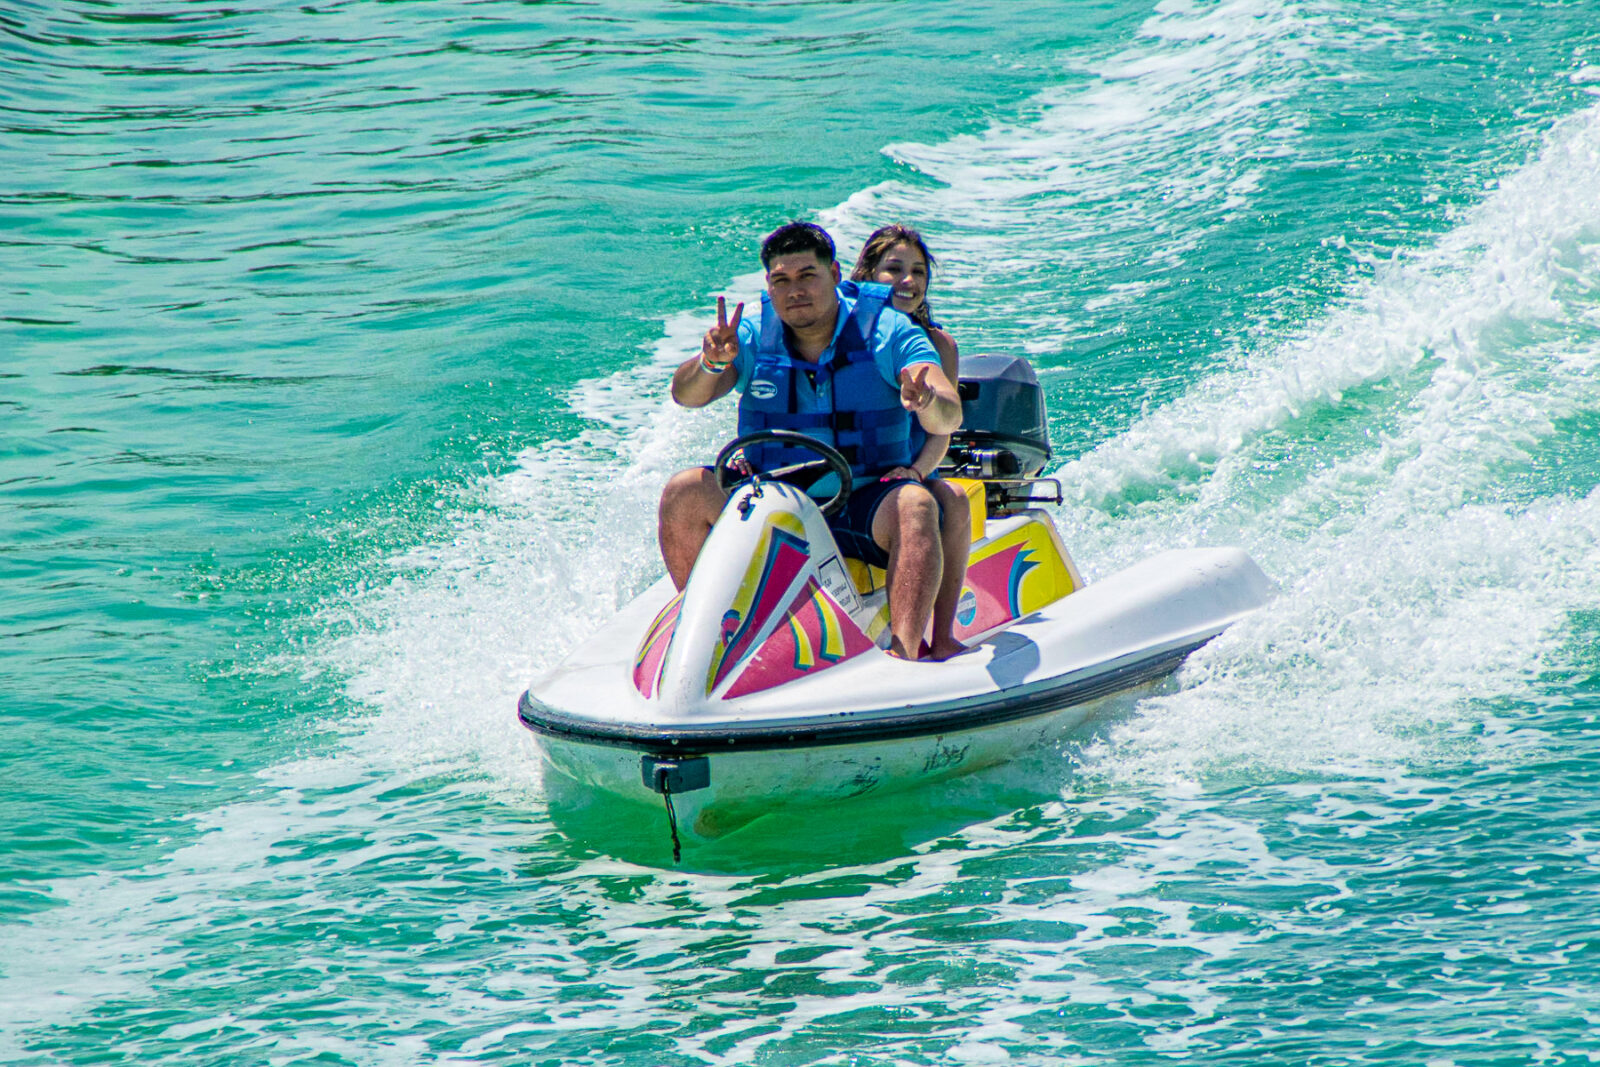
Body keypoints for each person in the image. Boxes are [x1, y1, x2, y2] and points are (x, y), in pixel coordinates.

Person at [657, 221, 962, 661]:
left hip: (862, 504)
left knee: (916, 505)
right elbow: (685, 395)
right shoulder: (752, 335)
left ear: (836, 276)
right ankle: (706, 649)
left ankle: (904, 654)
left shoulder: (890, 332)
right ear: (768, 285)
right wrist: (709, 361)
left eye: (807, 277)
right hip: (772, 506)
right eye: (781, 280)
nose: (794, 290)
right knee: (684, 492)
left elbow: (949, 411)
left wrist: (929, 397)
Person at [850, 224, 970, 661]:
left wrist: (917, 471)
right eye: (894, 268)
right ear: (866, 273)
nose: (908, 280)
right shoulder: (844, 338)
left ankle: (942, 637)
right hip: (856, 478)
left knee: (953, 498)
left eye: (918, 271)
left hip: (912, 468)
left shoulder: (938, 344)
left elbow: (943, 431)